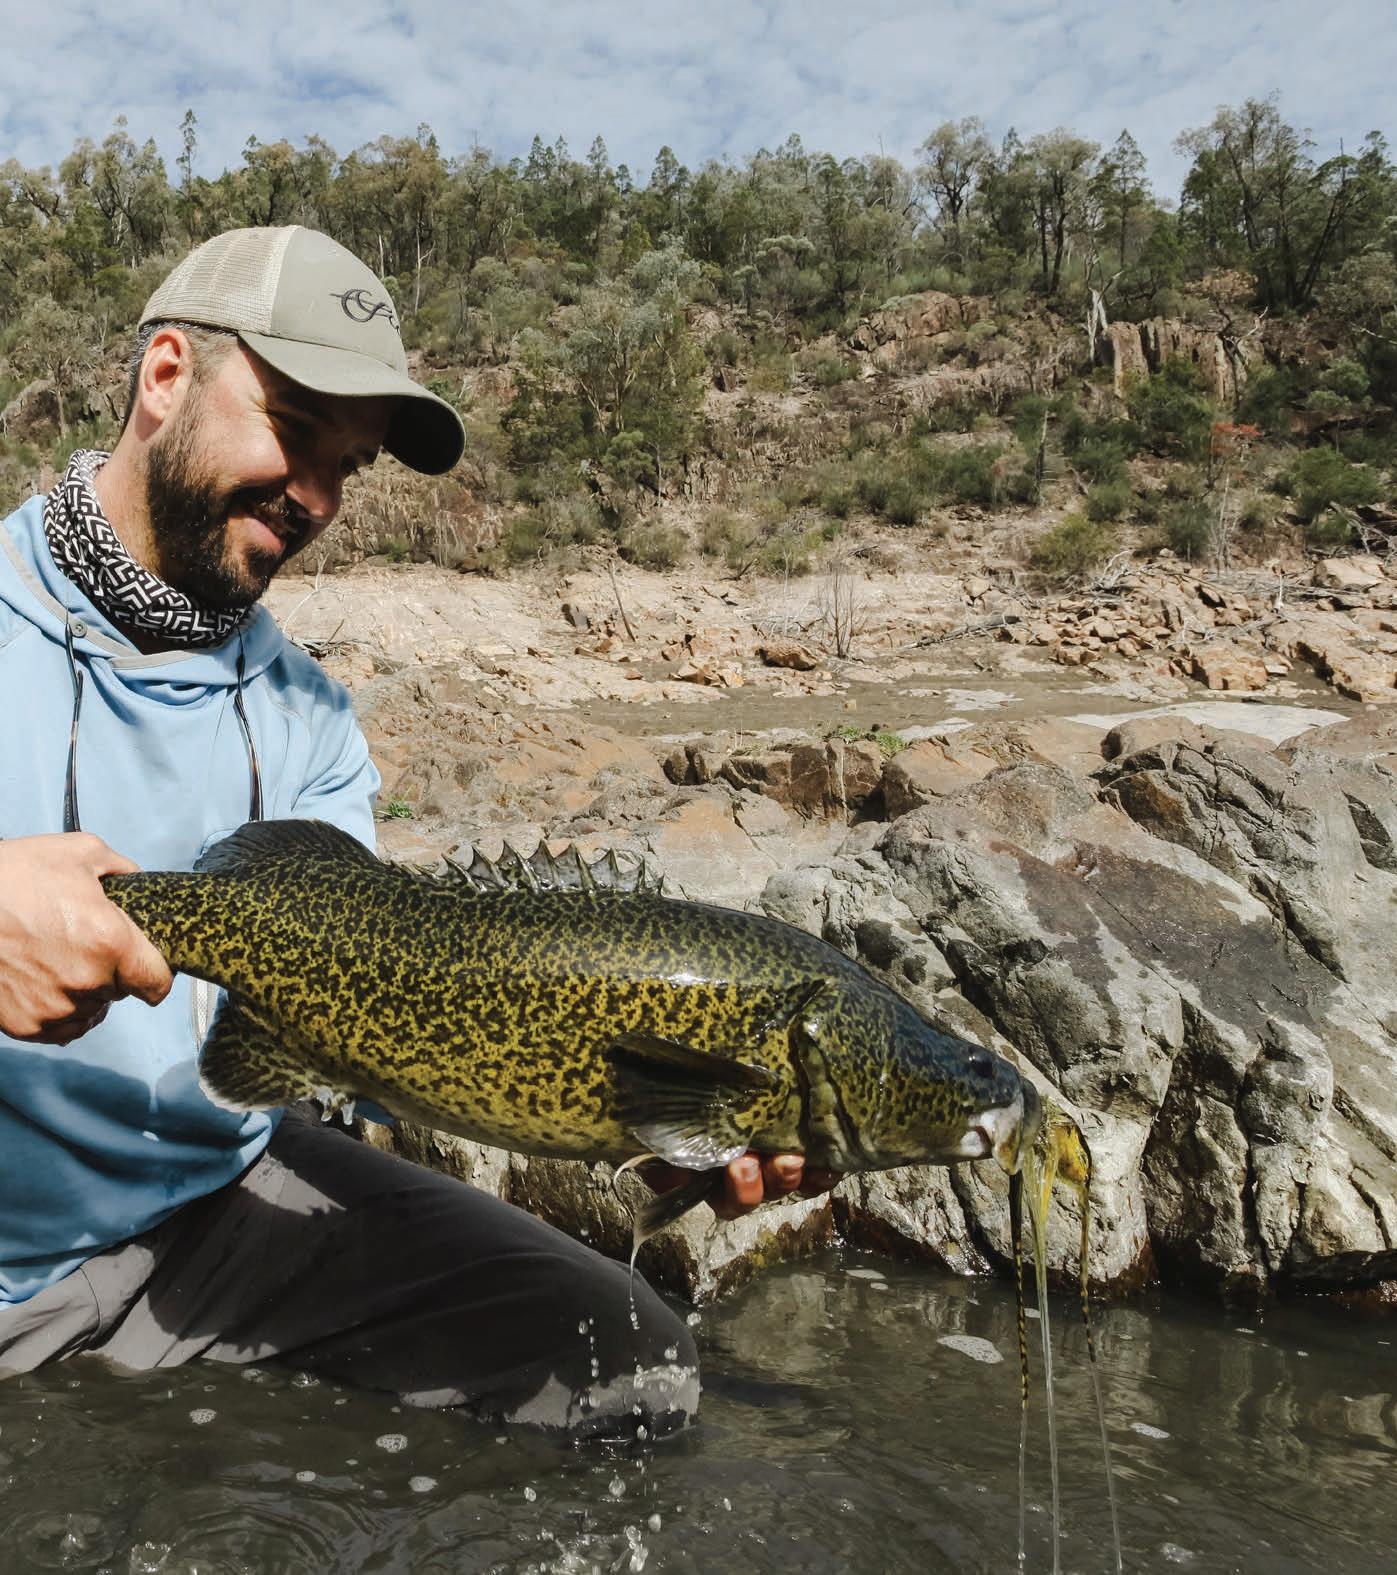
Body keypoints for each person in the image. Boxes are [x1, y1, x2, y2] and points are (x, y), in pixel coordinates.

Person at [0, 225, 825, 1440]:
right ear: (165, 376)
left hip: (216, 1207)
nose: (317, 496)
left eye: (348, 463)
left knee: (632, 1368)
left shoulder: (312, 720)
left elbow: (369, 1035)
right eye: (295, 427)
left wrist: (655, 1118)